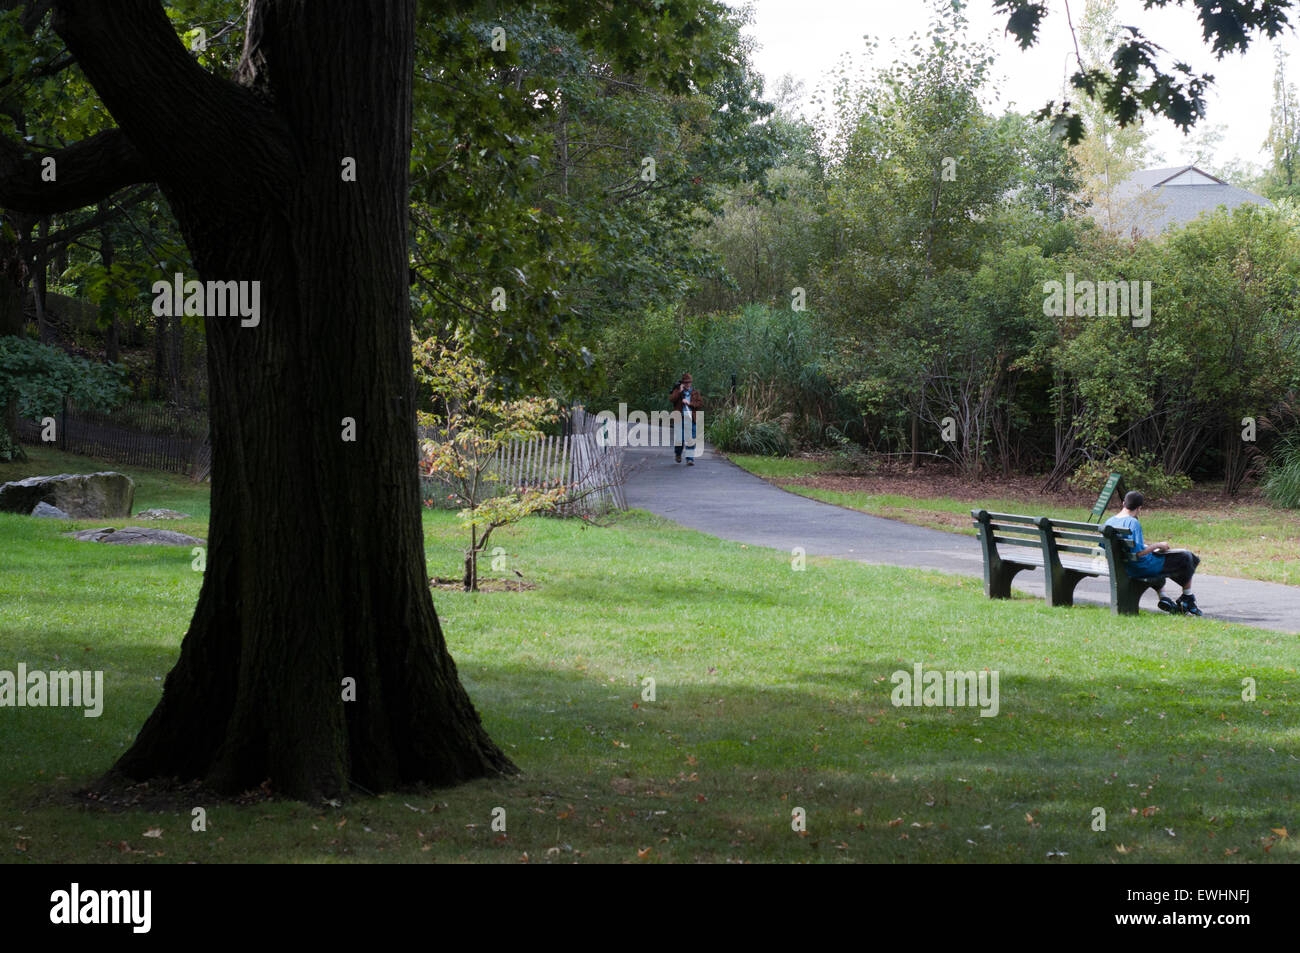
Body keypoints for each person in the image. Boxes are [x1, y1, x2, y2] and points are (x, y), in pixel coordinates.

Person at [1104, 490, 1202, 616]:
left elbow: (1109, 547)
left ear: (1123, 503)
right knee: (1187, 557)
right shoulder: (1133, 523)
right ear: (1139, 508)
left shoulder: (1109, 522)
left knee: (1165, 559)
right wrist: (1158, 545)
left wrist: (1148, 548)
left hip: (1122, 567)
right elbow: (1139, 553)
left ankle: (1164, 597)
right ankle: (1187, 597)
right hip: (1140, 568)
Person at [668, 373, 703, 465]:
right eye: (686, 382)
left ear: (691, 382)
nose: (687, 384)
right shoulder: (678, 391)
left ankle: (690, 459)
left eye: (689, 382)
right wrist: (679, 391)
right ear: (682, 383)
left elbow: (700, 404)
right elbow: (671, 399)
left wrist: (689, 403)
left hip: (691, 418)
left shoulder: (695, 392)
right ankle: (678, 453)